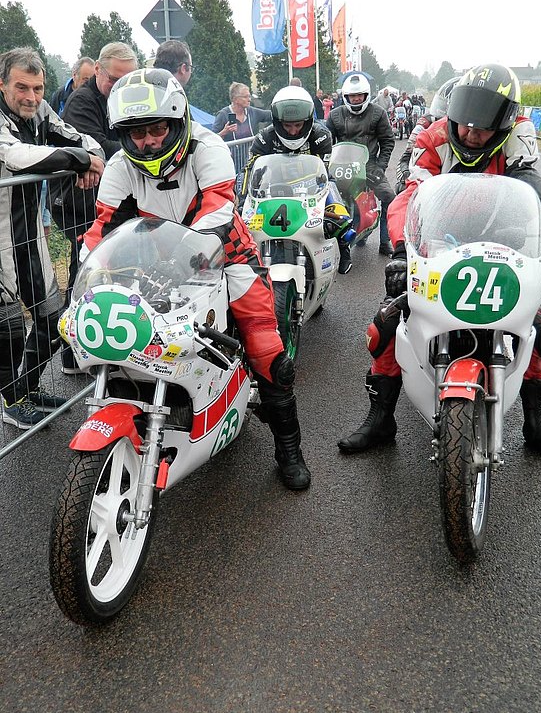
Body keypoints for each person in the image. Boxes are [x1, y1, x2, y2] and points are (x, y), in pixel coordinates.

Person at [82, 68, 311, 490]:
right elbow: (103, 228)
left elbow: (218, 208)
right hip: (154, 260)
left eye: (157, 129)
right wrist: (86, 276)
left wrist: (182, 262)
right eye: (137, 133)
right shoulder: (120, 166)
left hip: (227, 251)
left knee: (266, 345)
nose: (149, 141)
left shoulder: (209, 147)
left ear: (178, 120)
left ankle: (289, 449)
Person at [338, 63, 541, 463]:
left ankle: (538, 423)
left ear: (504, 124)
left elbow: (529, 184)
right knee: (386, 322)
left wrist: (531, 202)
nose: (470, 133)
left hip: (501, 244)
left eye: (482, 128)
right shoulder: (432, 137)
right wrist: (402, 252)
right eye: (465, 123)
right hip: (439, 243)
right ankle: (380, 418)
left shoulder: (519, 134)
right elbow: (409, 196)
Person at [0, 48, 104, 429]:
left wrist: (85, 158)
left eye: (38, 88)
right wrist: (79, 161)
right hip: (1, 244)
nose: (31, 97)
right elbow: (19, 157)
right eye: (22, 87)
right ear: (2, 85)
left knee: (52, 319)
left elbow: (88, 142)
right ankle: (11, 402)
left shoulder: (41, 111)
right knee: (9, 329)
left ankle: (25, 389)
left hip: (29, 237)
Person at [49, 42, 137, 373]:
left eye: (126, 79)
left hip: (107, 200)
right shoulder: (82, 102)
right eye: (113, 78)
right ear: (98, 70)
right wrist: (134, 145)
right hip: (77, 202)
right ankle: (71, 352)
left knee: (110, 272)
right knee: (85, 272)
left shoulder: (124, 97)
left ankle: (106, 345)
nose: (118, 85)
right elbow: (101, 146)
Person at [240, 85, 355, 274]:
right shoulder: (264, 138)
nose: (293, 131)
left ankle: (343, 247)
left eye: (298, 125)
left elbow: (321, 173)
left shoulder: (321, 136)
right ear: (278, 122)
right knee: (241, 218)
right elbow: (249, 170)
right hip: (274, 187)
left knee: (341, 219)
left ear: (308, 121)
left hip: (315, 185)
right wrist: (242, 200)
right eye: (287, 126)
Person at [326, 72, 396, 257]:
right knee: (324, 197)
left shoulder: (378, 113)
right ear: (346, 97)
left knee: (389, 197)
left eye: (359, 95)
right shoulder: (335, 115)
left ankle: (385, 241)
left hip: (369, 164)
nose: (356, 99)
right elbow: (326, 141)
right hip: (340, 164)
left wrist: (380, 166)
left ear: (366, 95)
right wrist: (324, 164)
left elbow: (388, 141)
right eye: (352, 96)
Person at [395, 76, 461, 192]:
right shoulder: (424, 123)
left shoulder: (477, 132)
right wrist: (407, 175)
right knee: (402, 188)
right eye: (443, 105)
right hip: (430, 186)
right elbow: (405, 158)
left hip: (461, 186)